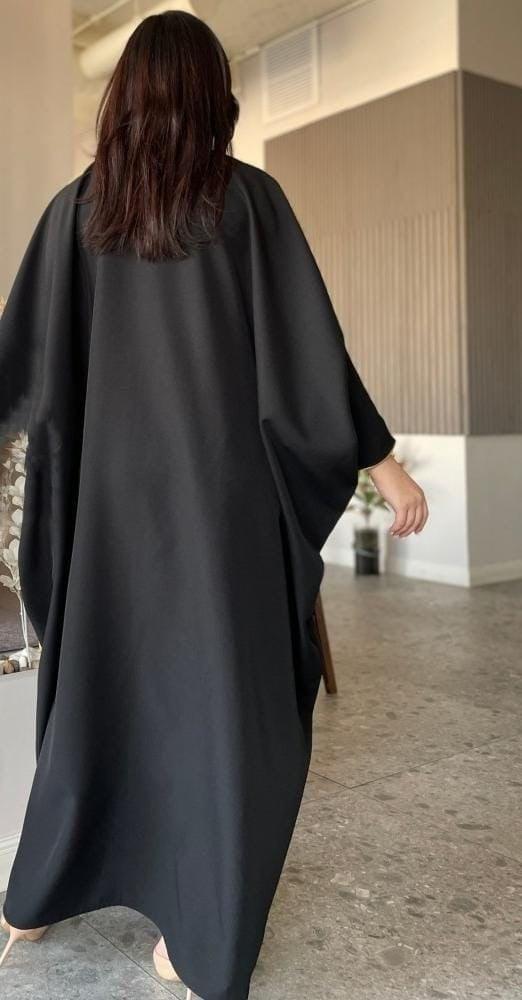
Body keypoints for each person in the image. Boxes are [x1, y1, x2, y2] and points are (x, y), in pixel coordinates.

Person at [0, 10, 428, 1000]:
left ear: (123, 95)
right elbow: (312, 362)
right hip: (220, 523)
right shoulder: (248, 203)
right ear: (211, 96)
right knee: (225, 716)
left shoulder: (75, 212)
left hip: (107, 525)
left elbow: (19, 360)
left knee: (97, 696)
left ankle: (37, 897)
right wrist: (384, 465)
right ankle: (199, 936)